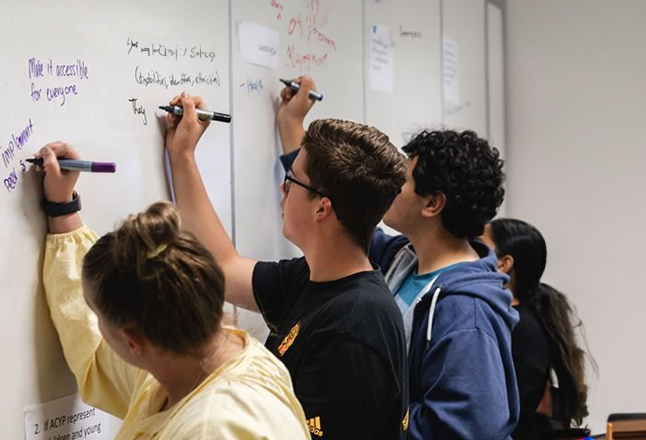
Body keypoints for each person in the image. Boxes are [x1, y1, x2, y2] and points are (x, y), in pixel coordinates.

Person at [277, 77, 519, 439]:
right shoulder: (401, 258)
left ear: (432, 204)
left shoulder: (466, 312)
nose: (389, 183)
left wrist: (379, 420)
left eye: (402, 180)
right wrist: (292, 124)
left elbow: (472, 428)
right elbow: (330, 196)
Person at [164, 92, 409, 439]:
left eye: (291, 180)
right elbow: (222, 267)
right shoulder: (315, 277)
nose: (282, 187)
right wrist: (183, 155)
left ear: (322, 208)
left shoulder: (353, 326)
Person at [36, 141, 310, 440]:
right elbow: (95, 349)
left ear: (132, 341)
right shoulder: (191, 359)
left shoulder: (213, 430)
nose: (98, 328)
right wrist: (62, 208)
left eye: (99, 317)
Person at [481, 218, 596, 440]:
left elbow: (498, 411)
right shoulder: (507, 318)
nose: (470, 252)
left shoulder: (523, 328)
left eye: (479, 245)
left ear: (503, 264)